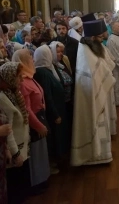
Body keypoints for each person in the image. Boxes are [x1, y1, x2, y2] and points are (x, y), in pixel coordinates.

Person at [71, 19, 115, 166]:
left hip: (98, 89)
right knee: (93, 121)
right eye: (100, 38)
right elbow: (93, 71)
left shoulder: (92, 47)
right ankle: (93, 155)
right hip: (90, 93)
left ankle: (103, 154)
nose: (102, 40)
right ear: (92, 38)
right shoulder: (84, 50)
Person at [12, 49, 51, 188]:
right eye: (29, 57)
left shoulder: (29, 76)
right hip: (34, 122)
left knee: (41, 151)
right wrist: (38, 125)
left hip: (39, 116)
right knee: (35, 153)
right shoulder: (22, 80)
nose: (33, 60)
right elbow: (26, 109)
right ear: (22, 61)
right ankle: (38, 183)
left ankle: (43, 179)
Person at [33, 45, 69, 173]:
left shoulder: (47, 69)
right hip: (54, 112)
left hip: (58, 108)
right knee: (54, 139)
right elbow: (47, 96)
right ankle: (54, 162)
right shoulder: (42, 72)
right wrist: (55, 114)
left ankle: (59, 160)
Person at [0, 62, 30, 203]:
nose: (21, 80)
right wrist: (15, 153)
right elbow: (8, 130)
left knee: (22, 190)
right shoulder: (3, 98)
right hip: (14, 151)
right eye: (18, 77)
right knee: (16, 193)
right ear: (9, 78)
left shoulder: (12, 93)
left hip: (21, 146)